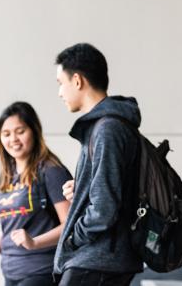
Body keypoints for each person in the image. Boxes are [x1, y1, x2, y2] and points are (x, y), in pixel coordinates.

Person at [52, 43, 143, 286]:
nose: (60, 92)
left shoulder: (107, 129)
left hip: (97, 260)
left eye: (61, 82)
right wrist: (82, 188)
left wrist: (72, 237)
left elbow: (104, 208)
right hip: (101, 259)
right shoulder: (104, 127)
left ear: (78, 81)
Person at [0, 101, 72, 286]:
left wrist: (34, 242)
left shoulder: (51, 171)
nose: (13, 139)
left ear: (34, 131)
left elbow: (71, 225)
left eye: (20, 131)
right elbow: (10, 230)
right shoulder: (9, 174)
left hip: (43, 273)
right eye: (6, 134)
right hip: (11, 274)